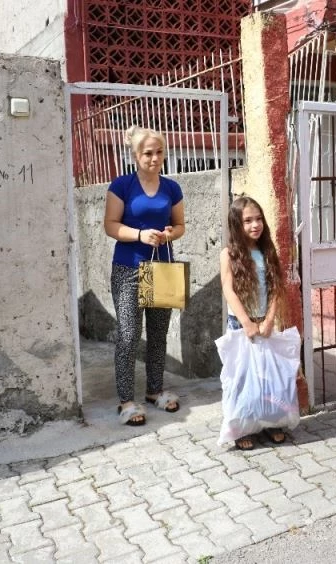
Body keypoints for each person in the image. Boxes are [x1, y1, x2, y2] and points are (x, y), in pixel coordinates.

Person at [104, 125, 185, 426]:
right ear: (136, 156)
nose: (154, 158)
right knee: (128, 335)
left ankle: (154, 391)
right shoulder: (121, 185)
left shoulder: (171, 188)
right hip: (128, 268)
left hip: (162, 267)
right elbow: (111, 225)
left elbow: (180, 226)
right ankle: (126, 401)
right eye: (148, 153)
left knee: (158, 334)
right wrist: (140, 234)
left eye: (159, 152)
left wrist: (169, 233)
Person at [220, 195, 288, 450]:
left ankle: (270, 422)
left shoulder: (267, 251)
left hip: (264, 323)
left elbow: (276, 287)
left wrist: (269, 319)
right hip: (241, 326)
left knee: (268, 378)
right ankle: (241, 428)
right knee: (241, 380)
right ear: (237, 224)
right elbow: (228, 290)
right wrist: (246, 322)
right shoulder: (228, 254)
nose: (255, 225)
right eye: (248, 220)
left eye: (258, 219)